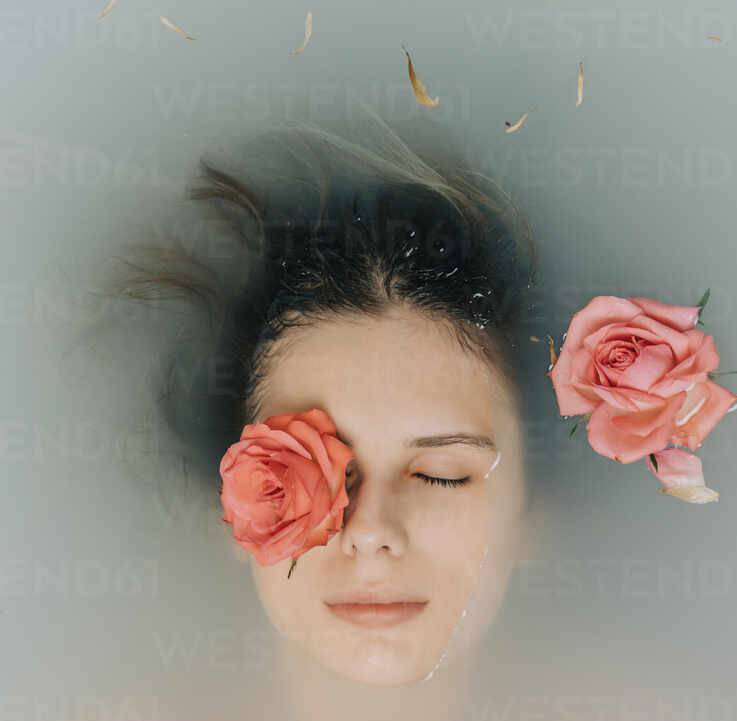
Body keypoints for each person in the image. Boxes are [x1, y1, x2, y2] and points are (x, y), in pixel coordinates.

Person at [100, 106, 541, 687]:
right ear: (230, 514)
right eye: (310, 466)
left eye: (441, 474)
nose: (370, 531)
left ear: (533, 520)